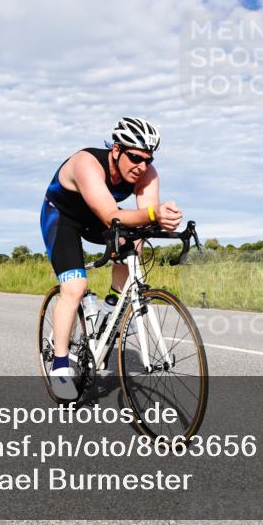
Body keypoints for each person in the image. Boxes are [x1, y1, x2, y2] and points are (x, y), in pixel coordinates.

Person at [40, 117, 183, 398]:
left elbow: (145, 219)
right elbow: (111, 215)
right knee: (75, 288)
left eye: (147, 159)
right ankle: (59, 365)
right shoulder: (87, 163)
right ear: (116, 150)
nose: (141, 166)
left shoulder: (147, 173)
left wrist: (165, 222)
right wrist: (154, 214)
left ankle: (110, 307)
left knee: (136, 240)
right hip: (63, 218)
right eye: (135, 157)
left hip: (97, 218)